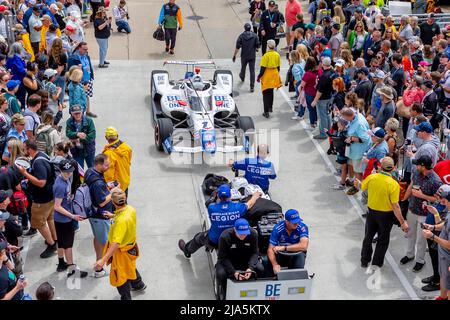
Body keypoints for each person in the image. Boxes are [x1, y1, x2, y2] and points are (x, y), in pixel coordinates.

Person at [178, 184, 261, 258]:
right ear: (230, 195)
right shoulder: (238, 207)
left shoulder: (212, 208)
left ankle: (187, 250)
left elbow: (208, 203)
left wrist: (213, 197)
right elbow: (250, 204)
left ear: (218, 195)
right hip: (233, 239)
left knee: (199, 238)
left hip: (215, 240)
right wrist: (255, 196)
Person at [356, 157, 409, 268]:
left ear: (380, 167)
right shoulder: (393, 184)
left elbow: (362, 186)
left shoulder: (372, 177)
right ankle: (376, 263)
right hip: (386, 216)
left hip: (371, 213)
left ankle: (364, 260)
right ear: (393, 168)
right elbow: (395, 205)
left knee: (368, 238)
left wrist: (357, 183)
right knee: (383, 240)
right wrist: (402, 222)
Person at [94, 187, 146, 300]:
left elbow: (116, 243)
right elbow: (124, 217)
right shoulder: (130, 209)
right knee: (130, 267)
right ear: (125, 199)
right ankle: (138, 284)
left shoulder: (120, 222)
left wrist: (103, 260)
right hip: (131, 248)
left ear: (113, 202)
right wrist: (113, 216)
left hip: (121, 253)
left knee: (120, 278)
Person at [401, 155, 442, 272]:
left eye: (418, 164)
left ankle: (419, 260)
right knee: (410, 234)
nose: (416, 166)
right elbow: (410, 186)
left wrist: (422, 195)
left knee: (421, 239)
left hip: (424, 215)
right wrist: (404, 201)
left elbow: (438, 200)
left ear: (423, 166)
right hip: (412, 210)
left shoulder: (435, 181)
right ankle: (409, 255)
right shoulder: (417, 174)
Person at [18, 140, 57, 259]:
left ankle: (51, 245)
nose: (23, 151)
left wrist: (25, 174)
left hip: (42, 199)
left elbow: (41, 183)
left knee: (38, 223)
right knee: (50, 219)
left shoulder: (38, 163)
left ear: (30, 149)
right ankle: (55, 239)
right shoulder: (43, 155)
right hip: (50, 195)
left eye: (24, 149)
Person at [53, 159, 87, 278]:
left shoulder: (64, 179)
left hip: (61, 218)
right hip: (64, 219)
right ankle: (71, 268)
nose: (69, 174)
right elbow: (57, 206)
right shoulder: (60, 185)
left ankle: (61, 262)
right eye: (66, 172)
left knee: (61, 242)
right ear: (60, 171)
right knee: (68, 245)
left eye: (70, 171)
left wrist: (70, 197)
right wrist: (73, 216)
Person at [215, 218, 264, 299]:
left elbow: (255, 253)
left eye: (245, 233)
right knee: (221, 274)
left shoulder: (253, 234)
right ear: (234, 229)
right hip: (229, 260)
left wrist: (250, 268)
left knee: (260, 269)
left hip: (246, 259)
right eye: (240, 233)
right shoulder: (225, 236)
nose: (243, 236)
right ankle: (225, 295)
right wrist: (233, 272)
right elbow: (222, 257)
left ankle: (256, 292)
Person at [85, 154, 113, 278]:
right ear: (98, 164)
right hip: (100, 217)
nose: (108, 166)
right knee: (104, 242)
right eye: (106, 165)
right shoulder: (97, 183)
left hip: (93, 214)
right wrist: (112, 193)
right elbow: (101, 202)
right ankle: (98, 269)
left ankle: (98, 260)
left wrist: (107, 187)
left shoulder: (90, 172)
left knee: (98, 238)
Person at [420, 185, 449, 292]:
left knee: (439, 262)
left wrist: (435, 214)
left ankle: (438, 282)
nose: (437, 197)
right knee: (433, 258)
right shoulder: (439, 203)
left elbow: (442, 225)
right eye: (437, 194)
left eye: (440, 195)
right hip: (432, 233)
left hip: (439, 238)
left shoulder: (446, 208)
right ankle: (436, 276)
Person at [264, 209, 309, 276]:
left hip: (297, 254)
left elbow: (304, 246)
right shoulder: (277, 228)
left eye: (298, 221)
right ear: (287, 221)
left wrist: (284, 248)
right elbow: (270, 249)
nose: (297, 224)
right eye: (294, 222)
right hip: (281, 255)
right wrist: (275, 264)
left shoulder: (302, 227)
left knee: (298, 271)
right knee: (265, 260)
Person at [341, 107, 371, 195]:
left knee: (358, 170)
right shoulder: (357, 116)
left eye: (345, 118)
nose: (345, 120)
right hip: (353, 150)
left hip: (359, 151)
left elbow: (365, 138)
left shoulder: (359, 124)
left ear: (350, 116)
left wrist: (351, 138)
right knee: (351, 165)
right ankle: (352, 181)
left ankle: (357, 187)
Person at [67, 42, 96, 118]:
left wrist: (91, 76)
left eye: (87, 49)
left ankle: (88, 111)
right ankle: (78, 112)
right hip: (79, 81)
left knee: (87, 95)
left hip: (87, 79)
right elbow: (70, 70)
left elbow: (89, 65)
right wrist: (77, 68)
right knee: (80, 96)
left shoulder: (86, 56)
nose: (86, 51)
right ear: (79, 48)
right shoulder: (73, 58)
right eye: (84, 49)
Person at [102, 127, 132, 194]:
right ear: (117, 136)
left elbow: (108, 173)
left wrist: (108, 187)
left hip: (116, 186)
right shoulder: (126, 148)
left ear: (106, 137)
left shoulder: (108, 153)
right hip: (125, 181)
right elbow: (129, 162)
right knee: (123, 202)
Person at [65, 105, 96, 169]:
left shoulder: (89, 121)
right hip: (76, 150)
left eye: (79, 113)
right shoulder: (69, 121)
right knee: (78, 170)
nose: (77, 115)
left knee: (92, 168)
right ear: (72, 113)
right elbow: (68, 133)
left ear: (82, 112)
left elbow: (92, 134)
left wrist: (79, 140)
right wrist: (77, 134)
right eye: (75, 113)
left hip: (88, 149)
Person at [257, 39, 281, 118]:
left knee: (265, 93)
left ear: (268, 46)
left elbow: (263, 69)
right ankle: (270, 107)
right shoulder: (277, 55)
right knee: (271, 91)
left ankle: (266, 111)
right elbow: (278, 67)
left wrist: (259, 77)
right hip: (274, 74)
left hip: (267, 75)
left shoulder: (265, 56)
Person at [233, 23, 260, 93]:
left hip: (244, 56)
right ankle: (252, 86)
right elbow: (258, 45)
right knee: (252, 71)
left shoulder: (241, 36)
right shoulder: (255, 36)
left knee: (243, 67)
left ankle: (242, 77)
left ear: (244, 28)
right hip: (252, 56)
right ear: (250, 28)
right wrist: (256, 49)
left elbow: (237, 47)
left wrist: (234, 55)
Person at [311, 56, 334, 140]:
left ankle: (323, 134)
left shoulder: (324, 76)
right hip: (330, 96)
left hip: (323, 99)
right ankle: (328, 131)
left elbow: (320, 90)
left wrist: (315, 100)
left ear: (323, 64)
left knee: (323, 116)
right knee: (328, 115)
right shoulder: (332, 72)